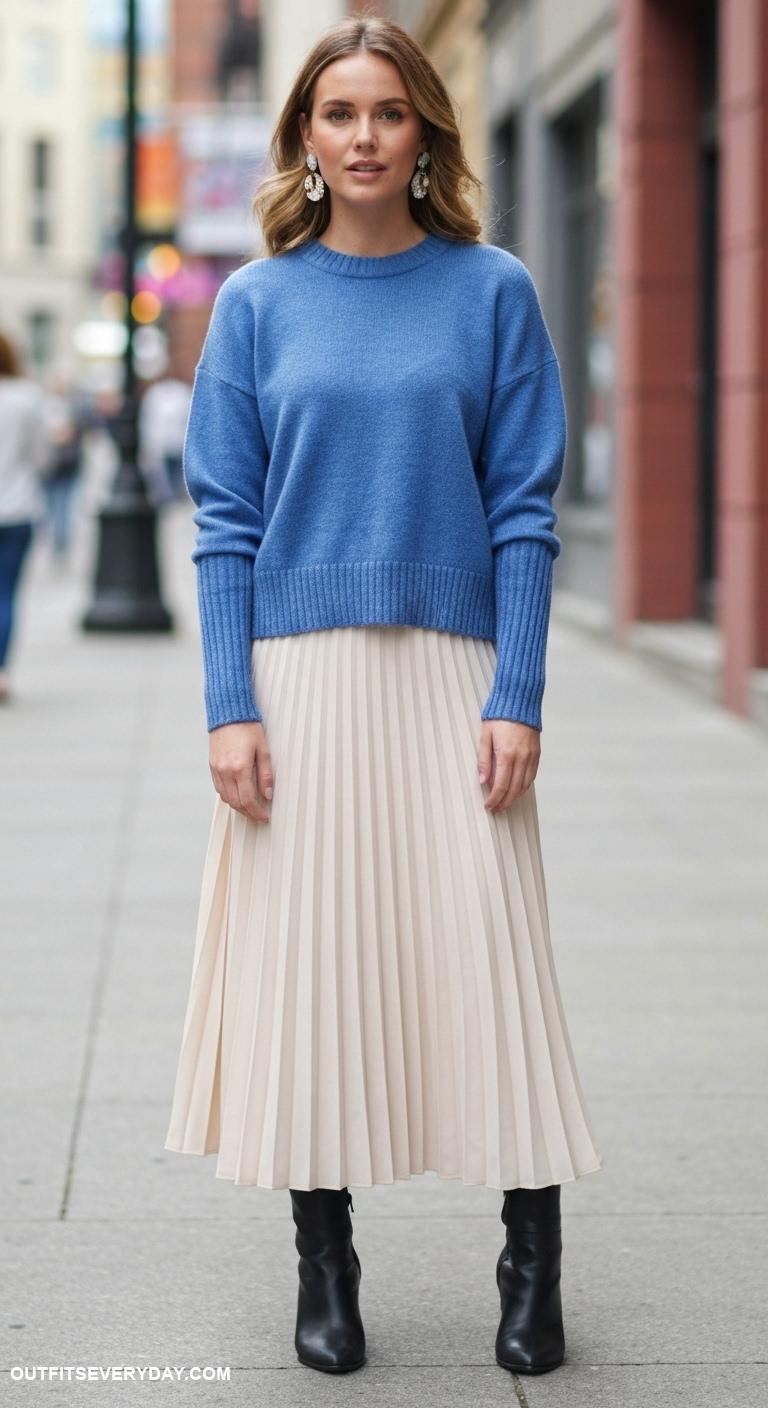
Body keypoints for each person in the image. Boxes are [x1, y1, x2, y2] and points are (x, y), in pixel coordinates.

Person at [164, 12, 604, 1379]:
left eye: (389, 112)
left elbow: (524, 508)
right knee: (312, 976)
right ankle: (326, 1262)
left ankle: (531, 1262)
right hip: (297, 685)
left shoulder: (493, 290)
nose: (363, 137)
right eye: (339, 113)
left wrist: (519, 688)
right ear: (306, 135)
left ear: (426, 134)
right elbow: (225, 523)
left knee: (494, 963)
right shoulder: (255, 304)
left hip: (455, 677)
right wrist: (229, 703)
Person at [0, 331, 51, 704]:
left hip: (18, 507)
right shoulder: (26, 398)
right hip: (17, 507)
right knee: (5, 593)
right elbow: (42, 457)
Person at [138, 368, 192, 505]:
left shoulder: (182, 393)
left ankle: (175, 502)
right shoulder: (155, 394)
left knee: (177, 478)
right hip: (163, 445)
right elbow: (149, 422)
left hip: (178, 444)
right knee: (164, 480)